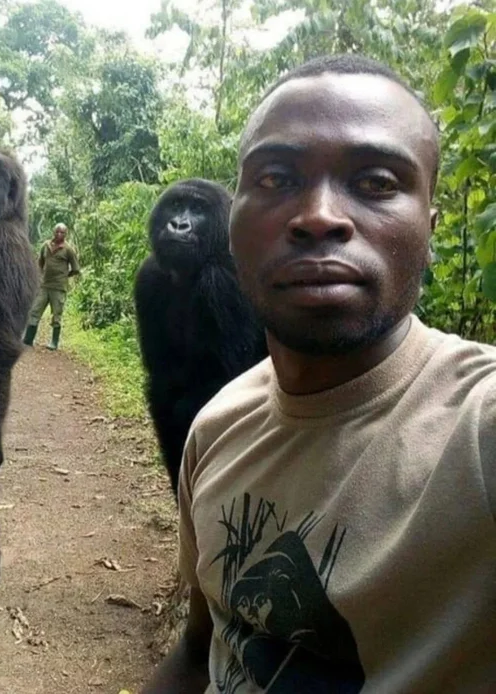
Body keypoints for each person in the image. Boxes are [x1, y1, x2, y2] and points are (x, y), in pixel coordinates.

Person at [142, 54, 496, 694]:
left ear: (430, 231)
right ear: (236, 227)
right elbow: (203, 652)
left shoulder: (478, 424)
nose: (319, 215)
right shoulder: (217, 429)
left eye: (378, 181)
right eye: (277, 179)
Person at [23, 223, 80, 350]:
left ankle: (54, 342)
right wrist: (38, 277)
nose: (59, 234)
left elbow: (76, 269)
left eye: (62, 233)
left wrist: (64, 276)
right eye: (57, 232)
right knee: (34, 311)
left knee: (56, 315)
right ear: (53, 232)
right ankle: (28, 339)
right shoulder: (46, 245)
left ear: (66, 234)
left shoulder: (68, 250)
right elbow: (40, 264)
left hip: (58, 288)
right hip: (44, 286)